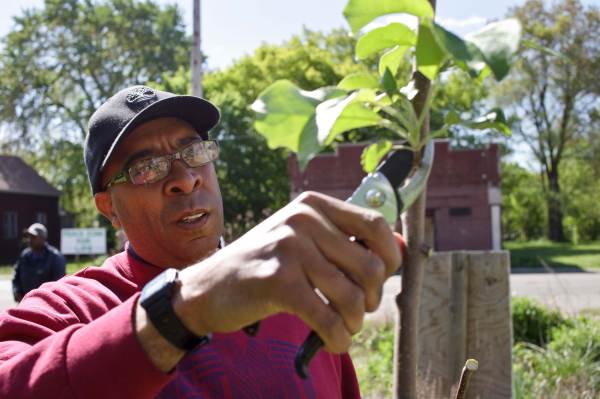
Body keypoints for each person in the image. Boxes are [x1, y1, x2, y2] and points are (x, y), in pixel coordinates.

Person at [0, 86, 402, 398]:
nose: (184, 178)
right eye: (147, 167)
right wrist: (184, 307)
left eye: (194, 152)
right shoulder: (75, 307)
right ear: (109, 208)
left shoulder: (296, 291)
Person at [11, 222, 66, 302]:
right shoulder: (25, 255)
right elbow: (16, 277)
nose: (29, 240)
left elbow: (59, 284)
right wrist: (17, 291)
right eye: (29, 236)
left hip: (46, 304)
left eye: (33, 237)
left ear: (42, 238)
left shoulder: (55, 257)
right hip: (25, 302)